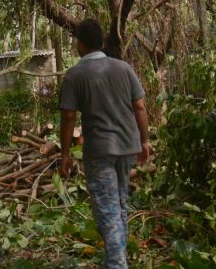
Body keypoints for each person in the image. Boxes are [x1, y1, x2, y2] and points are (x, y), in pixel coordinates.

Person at [58, 19, 150, 269]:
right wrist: (144, 140)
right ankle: (117, 260)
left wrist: (65, 154)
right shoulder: (124, 68)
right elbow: (139, 106)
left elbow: (68, 116)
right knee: (119, 203)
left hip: (100, 151)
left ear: (81, 43)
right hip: (127, 147)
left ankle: (118, 264)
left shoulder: (75, 75)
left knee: (107, 211)